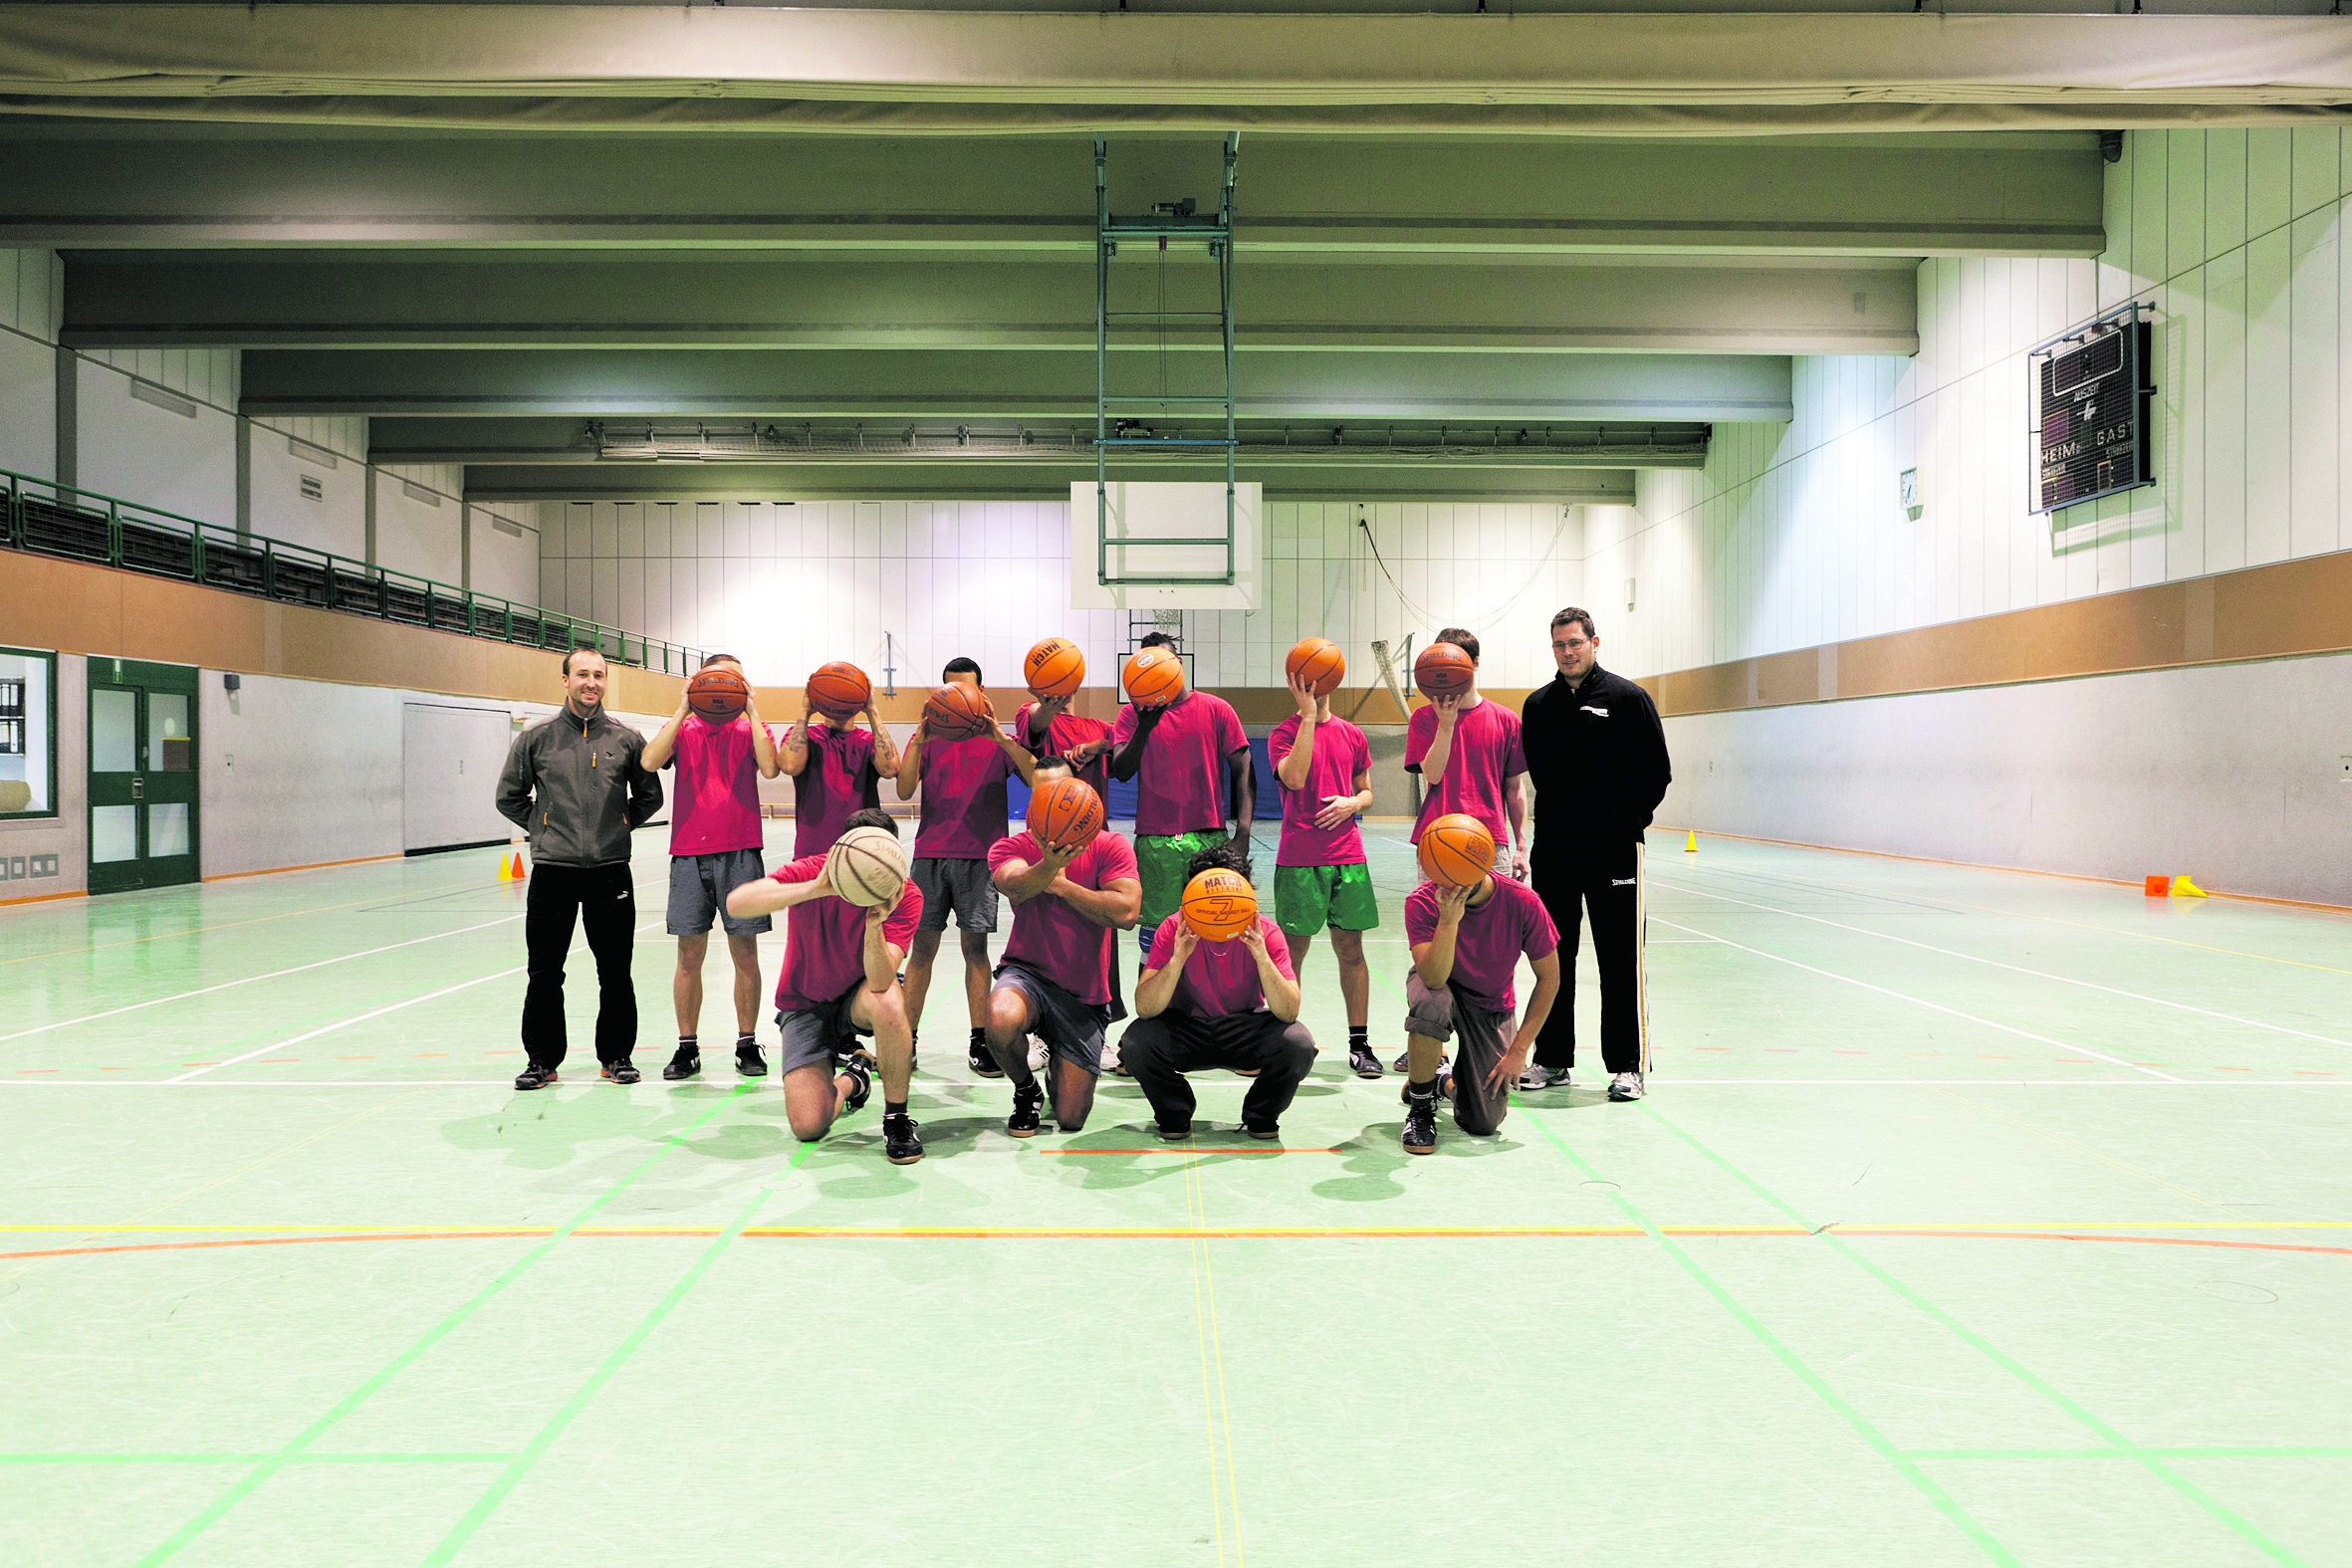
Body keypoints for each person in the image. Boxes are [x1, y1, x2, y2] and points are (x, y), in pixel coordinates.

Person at [1518, 607, 1673, 1102]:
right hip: (1555, 851)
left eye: (1575, 643)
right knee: (1552, 956)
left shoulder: (1628, 698)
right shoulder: (1538, 705)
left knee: (1619, 957)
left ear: (1594, 643)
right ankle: (1552, 1058)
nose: (1567, 652)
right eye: (1559, 645)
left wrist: (1625, 824)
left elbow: (1658, 772)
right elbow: (1538, 771)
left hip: (1615, 851)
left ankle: (1628, 1065)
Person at [495, 645, 663, 1090]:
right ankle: (541, 1060)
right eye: (583, 674)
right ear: (565, 680)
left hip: (610, 870)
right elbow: (509, 796)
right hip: (554, 870)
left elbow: (650, 796)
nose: (592, 683)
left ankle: (617, 1056)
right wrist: (544, 828)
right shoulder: (537, 737)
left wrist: (618, 825)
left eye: (599, 675)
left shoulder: (627, 739)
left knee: (616, 970)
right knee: (544, 971)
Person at [725, 808, 923, 1164]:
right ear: (839, 849)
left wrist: (875, 923)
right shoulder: (814, 870)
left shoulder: (903, 894)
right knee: (809, 1126)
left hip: (859, 996)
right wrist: (816, 889)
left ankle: (896, 1118)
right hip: (806, 1001)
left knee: (889, 1000)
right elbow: (736, 904)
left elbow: (880, 980)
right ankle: (856, 1076)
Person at [893, 657, 1038, 1079]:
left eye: (966, 690)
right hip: (931, 855)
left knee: (975, 951)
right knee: (921, 951)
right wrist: (918, 738)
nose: (958, 697)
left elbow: (1037, 779)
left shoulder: (998, 740)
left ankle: (980, 1041)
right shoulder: (930, 738)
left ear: (981, 693)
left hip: (981, 857)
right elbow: (903, 789)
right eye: (950, 690)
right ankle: (906, 1038)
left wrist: (1000, 737)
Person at [640, 653, 781, 1082]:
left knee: (745, 953)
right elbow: (649, 761)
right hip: (688, 852)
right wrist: (683, 706)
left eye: (736, 680)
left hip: (741, 851)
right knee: (689, 956)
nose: (726, 687)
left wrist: (752, 709)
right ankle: (687, 1047)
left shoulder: (751, 727)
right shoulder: (683, 728)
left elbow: (770, 768)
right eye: (719, 679)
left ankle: (746, 1043)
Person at [984, 764, 1140, 1137]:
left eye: (1060, 792)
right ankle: (1026, 1090)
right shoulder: (1011, 846)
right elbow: (1014, 885)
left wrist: (1064, 886)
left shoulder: (1110, 845)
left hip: (1083, 993)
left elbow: (1127, 913)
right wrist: (1049, 867)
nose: (1052, 801)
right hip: (1028, 975)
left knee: (1070, 1118)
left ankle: (1059, 1053)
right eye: (1042, 795)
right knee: (1001, 1016)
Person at [1122, 843, 1317, 1142]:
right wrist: (1177, 959)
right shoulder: (1173, 929)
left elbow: (1288, 1012)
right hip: (1186, 1028)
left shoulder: (1265, 933)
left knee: (1297, 1043)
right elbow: (1146, 1008)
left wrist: (1262, 957)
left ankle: (1262, 1114)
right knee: (1137, 1042)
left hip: (1243, 1027)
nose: (1219, 905)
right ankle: (1174, 1112)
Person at [1398, 626, 1529, 1072]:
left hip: (1490, 844)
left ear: (1472, 665)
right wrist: (1447, 722)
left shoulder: (1506, 720)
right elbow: (1432, 776)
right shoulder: (1423, 719)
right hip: (1437, 844)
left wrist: (1521, 845)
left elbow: (1514, 788)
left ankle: (1485, 1038)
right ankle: (1429, 1041)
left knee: (1491, 946)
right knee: (1436, 939)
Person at [1107, 631, 1253, 973]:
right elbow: (1122, 771)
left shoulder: (1216, 709)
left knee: (1215, 933)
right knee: (1156, 941)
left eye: (1164, 661)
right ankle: (1153, 1005)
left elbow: (1244, 770)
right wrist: (1145, 727)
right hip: (1156, 841)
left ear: (1178, 664)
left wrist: (1243, 833)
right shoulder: (1131, 716)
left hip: (1210, 840)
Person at [1399, 862, 1561, 1156]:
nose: (1450, 886)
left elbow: (1549, 978)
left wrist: (1518, 1051)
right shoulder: (1422, 901)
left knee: (1484, 1121)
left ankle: (1440, 1080)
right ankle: (1420, 1109)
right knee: (1431, 1003)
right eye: (1443, 876)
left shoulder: (1522, 901)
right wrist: (1448, 921)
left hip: (1490, 1003)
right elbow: (1433, 979)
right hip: (1440, 983)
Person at [1269, 663, 1380, 1079]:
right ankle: (1279, 1040)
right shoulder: (1283, 733)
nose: (1314, 686)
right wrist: (1309, 717)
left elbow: (1366, 791)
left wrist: (1353, 803)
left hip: (1348, 856)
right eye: (1306, 679)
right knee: (1292, 953)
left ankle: (1359, 1045)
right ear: (1294, 683)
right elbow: (1295, 779)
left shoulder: (1352, 734)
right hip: (1299, 858)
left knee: (1351, 950)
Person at [780, 677, 902, 857]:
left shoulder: (868, 741)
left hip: (862, 851)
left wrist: (872, 710)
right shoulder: (806, 737)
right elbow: (789, 766)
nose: (839, 698)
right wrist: (805, 710)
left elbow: (891, 769)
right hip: (813, 851)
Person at [1013, 688, 1112, 800]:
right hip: (1048, 811)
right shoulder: (1028, 713)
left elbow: (1126, 744)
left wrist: (1097, 747)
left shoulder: (1101, 727)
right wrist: (1046, 709)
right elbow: (1037, 717)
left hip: (1093, 810)